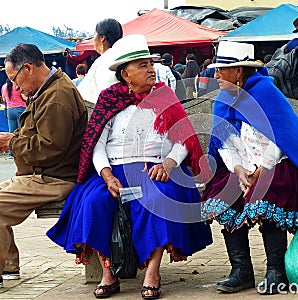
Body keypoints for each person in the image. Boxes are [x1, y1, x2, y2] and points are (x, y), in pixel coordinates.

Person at [46, 34, 213, 299]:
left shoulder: (163, 96)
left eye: (150, 64)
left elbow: (184, 140)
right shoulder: (109, 99)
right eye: (143, 65)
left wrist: (169, 164)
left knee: (159, 198)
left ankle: (152, 272)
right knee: (93, 203)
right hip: (113, 172)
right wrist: (107, 174)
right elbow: (96, 145)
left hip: (153, 169)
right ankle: (109, 274)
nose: (151, 69)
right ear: (125, 73)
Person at [200, 41, 298, 295]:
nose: (216, 75)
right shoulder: (223, 100)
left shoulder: (266, 93)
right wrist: (239, 170)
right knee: (223, 194)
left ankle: (275, 270)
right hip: (242, 166)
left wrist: (260, 171)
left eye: (222, 70)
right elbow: (223, 142)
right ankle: (241, 270)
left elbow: (280, 138)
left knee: (266, 194)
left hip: (275, 165)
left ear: (239, 71)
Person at [0, 43, 88, 287]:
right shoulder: (47, 90)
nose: (15, 87)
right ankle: (8, 267)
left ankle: (5, 267)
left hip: (54, 178)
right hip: (42, 174)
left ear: (27, 68)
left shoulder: (56, 96)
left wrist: (11, 142)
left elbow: (49, 149)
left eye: (14, 79)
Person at [78, 18, 123, 103]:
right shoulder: (120, 56)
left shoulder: (104, 61)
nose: (93, 40)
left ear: (102, 38)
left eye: (94, 34)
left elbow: (107, 97)